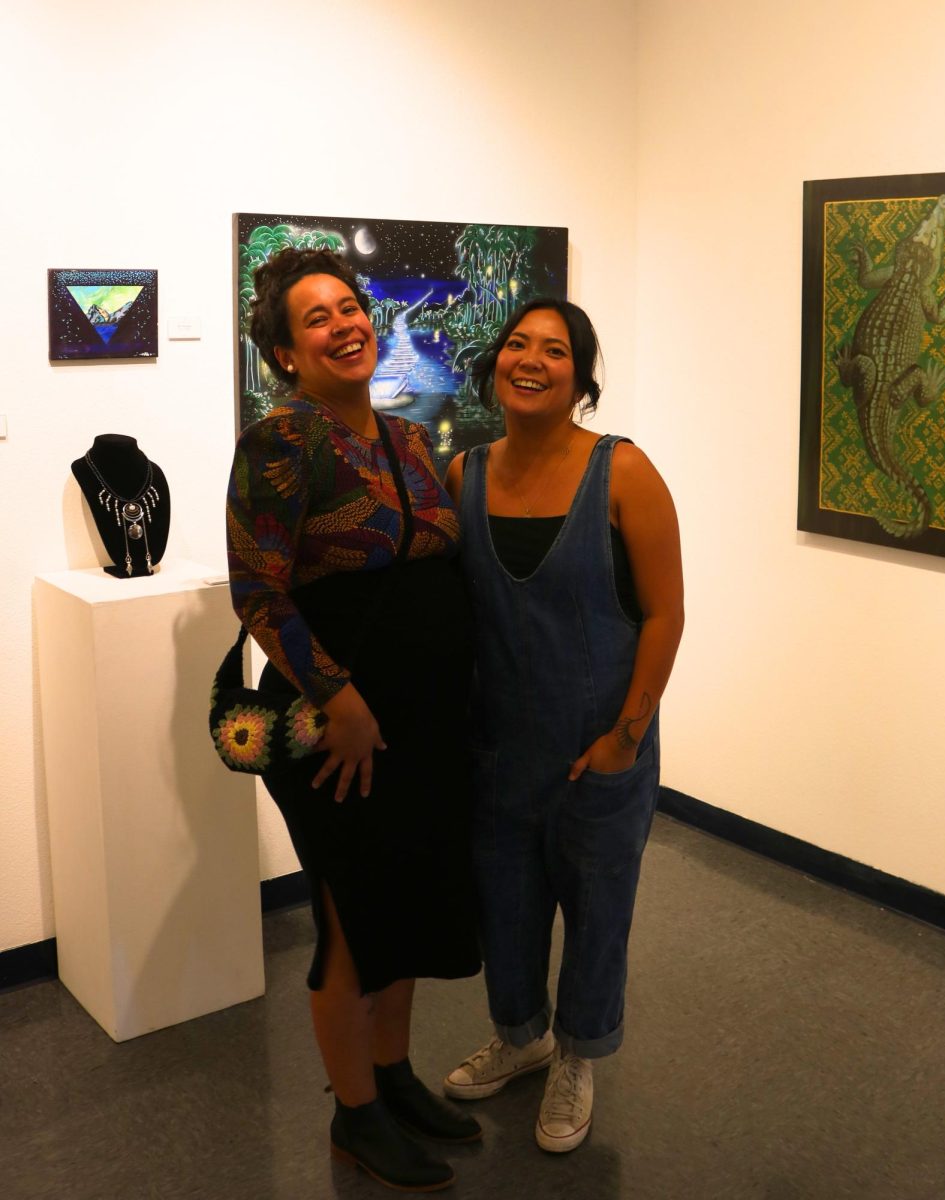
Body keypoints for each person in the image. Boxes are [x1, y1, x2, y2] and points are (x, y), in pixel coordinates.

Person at [226, 246, 482, 1192]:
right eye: (316, 319)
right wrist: (342, 700)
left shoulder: (410, 440)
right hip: (340, 729)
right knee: (349, 926)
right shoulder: (282, 441)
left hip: (421, 724)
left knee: (405, 906)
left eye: (350, 306)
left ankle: (395, 1076)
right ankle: (355, 1115)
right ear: (287, 355)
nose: (343, 324)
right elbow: (258, 591)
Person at [441, 298, 684, 1153]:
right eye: (517, 344)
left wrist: (624, 738)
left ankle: (576, 1056)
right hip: (500, 747)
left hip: (599, 750)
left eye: (554, 349)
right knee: (504, 907)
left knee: (597, 911)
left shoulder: (624, 474)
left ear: (581, 377)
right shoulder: (463, 475)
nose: (531, 359)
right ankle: (521, 1037)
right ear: (495, 365)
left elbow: (664, 615)